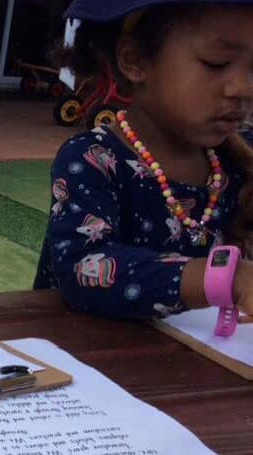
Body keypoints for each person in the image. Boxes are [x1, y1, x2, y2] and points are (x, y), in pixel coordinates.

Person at [35, 0, 253, 319]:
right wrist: (225, 278)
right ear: (134, 61)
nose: (243, 88)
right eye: (216, 63)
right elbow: (82, 269)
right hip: (85, 358)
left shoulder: (235, 168)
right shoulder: (94, 159)